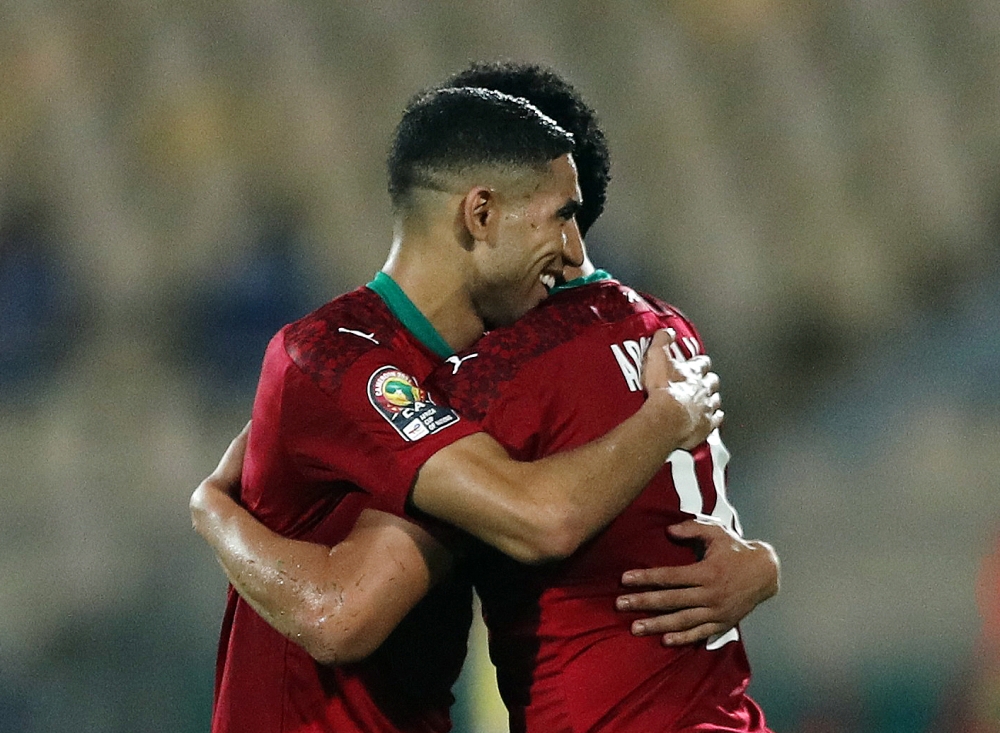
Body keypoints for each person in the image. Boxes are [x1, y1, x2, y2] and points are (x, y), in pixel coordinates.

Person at [193, 64, 779, 732]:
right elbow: (342, 614)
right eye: (561, 217)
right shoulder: (337, 356)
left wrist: (759, 564)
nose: (574, 252)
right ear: (481, 211)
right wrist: (214, 513)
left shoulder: (496, 374)